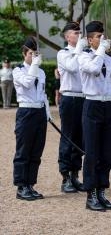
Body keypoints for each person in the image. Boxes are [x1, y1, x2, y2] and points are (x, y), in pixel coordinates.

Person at [78, 20, 111, 212]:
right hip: (92, 104)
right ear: (89, 40)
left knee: (106, 152)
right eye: (98, 37)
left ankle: (102, 191)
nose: (102, 39)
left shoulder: (108, 59)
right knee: (92, 152)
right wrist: (101, 52)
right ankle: (91, 194)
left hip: (106, 105)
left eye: (103, 36)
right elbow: (94, 70)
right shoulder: (83, 57)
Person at [12, 36, 51, 201]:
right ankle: (21, 186)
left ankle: (30, 184)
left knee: (36, 151)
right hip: (26, 112)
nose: (34, 57)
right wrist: (34, 65)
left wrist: (47, 112)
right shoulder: (18, 70)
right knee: (24, 150)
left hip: (39, 112)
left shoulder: (41, 72)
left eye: (36, 54)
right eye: (31, 54)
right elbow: (27, 83)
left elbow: (43, 94)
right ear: (24, 54)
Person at [57, 21, 87, 193]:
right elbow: (72, 67)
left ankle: (75, 174)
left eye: (79, 32)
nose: (78, 35)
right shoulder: (64, 53)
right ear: (67, 36)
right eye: (75, 33)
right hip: (69, 98)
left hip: (83, 97)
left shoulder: (82, 52)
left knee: (80, 138)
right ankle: (66, 176)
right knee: (68, 137)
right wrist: (79, 50)